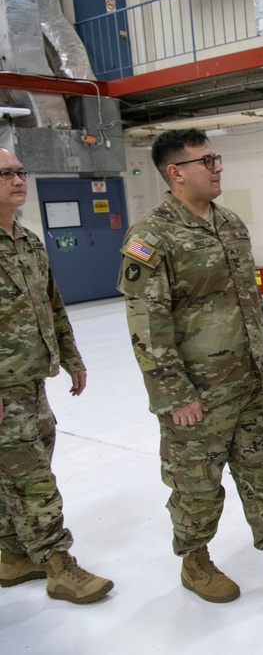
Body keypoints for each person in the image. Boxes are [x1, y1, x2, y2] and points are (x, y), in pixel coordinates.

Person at [117, 129, 263, 603]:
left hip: (250, 381)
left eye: (217, 158)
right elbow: (147, 322)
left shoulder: (231, 223)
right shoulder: (151, 234)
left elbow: (249, 303)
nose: (218, 167)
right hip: (196, 391)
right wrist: (173, 393)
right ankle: (195, 563)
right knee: (196, 483)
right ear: (175, 173)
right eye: (207, 161)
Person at [0, 147, 113, 605]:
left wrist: (73, 357)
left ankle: (12, 554)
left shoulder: (26, 241)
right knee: (33, 480)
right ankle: (58, 565)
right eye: (5, 173)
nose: (18, 179)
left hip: (31, 382)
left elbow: (52, 303)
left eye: (20, 171)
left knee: (20, 471)